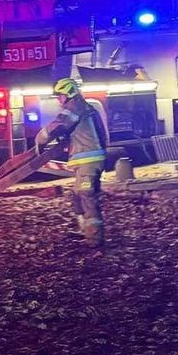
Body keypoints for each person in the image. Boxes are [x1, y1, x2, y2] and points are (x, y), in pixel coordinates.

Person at [36, 75, 107, 251]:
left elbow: (58, 126)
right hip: (88, 161)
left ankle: (94, 239)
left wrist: (41, 138)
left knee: (86, 196)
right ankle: (86, 230)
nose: (59, 100)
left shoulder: (74, 107)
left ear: (69, 93)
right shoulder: (85, 108)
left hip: (88, 162)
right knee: (76, 196)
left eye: (60, 96)